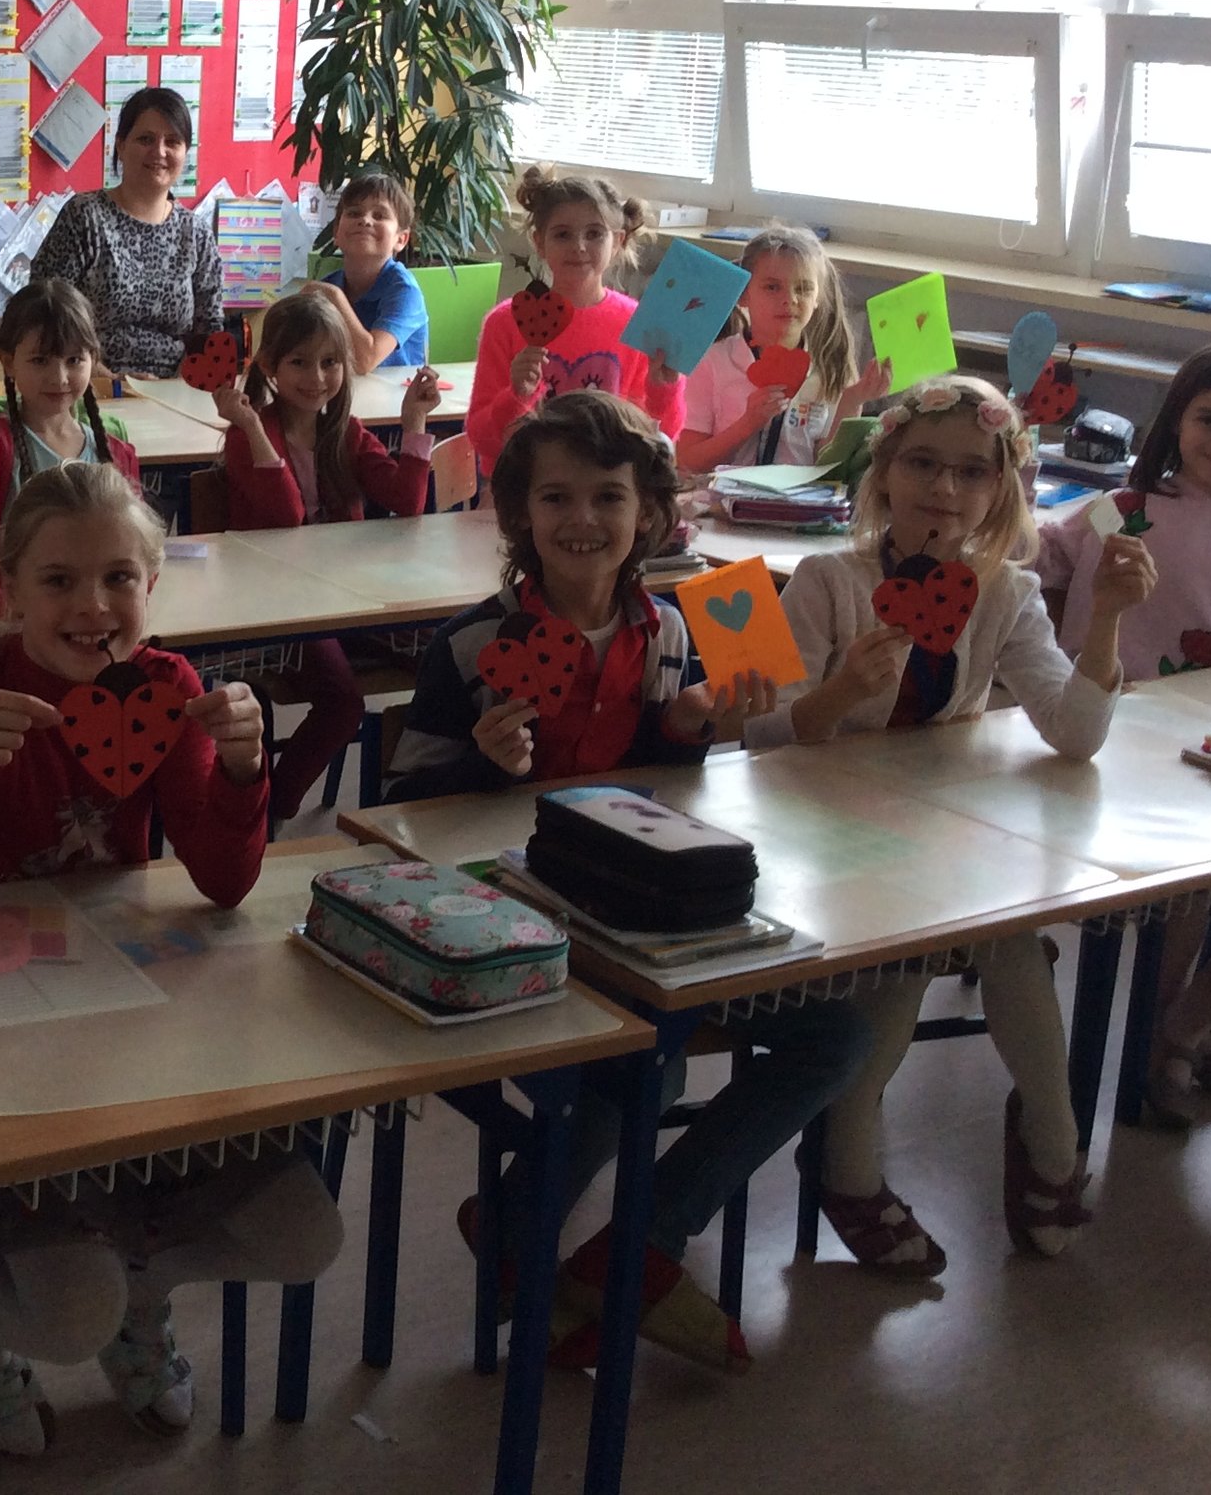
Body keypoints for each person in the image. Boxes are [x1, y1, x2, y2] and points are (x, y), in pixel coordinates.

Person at [0, 463, 341, 1456]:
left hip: (120, 1014)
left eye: (119, 577)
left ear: (151, 586)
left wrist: (245, 767)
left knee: (305, 1231)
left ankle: (141, 1291)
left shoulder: (166, 688)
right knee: (69, 1308)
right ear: (7, 589)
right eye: (58, 581)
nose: (92, 605)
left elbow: (222, 881)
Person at [388, 389, 828, 1372]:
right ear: (519, 513)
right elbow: (401, 807)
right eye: (555, 498)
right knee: (649, 1066)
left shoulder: (673, 630)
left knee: (833, 1027)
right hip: (516, 914)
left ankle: (614, 1239)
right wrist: (483, 766)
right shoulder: (471, 643)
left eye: (608, 497)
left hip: (642, 909)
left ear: (650, 514)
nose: (581, 520)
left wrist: (691, 727)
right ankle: (583, 1245)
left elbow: (667, 799)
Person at [746, 376, 1157, 1271]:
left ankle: (1045, 1141)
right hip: (823, 841)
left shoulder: (1004, 592)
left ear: (999, 490)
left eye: (972, 472)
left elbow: (1076, 735)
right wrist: (839, 695)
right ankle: (867, 1166)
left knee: (1004, 931)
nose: (944, 488)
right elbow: (757, 738)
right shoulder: (828, 581)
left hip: (939, 834)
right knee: (917, 954)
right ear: (884, 473)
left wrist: (1106, 622)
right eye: (922, 464)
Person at [1036, 339, 1211, 1126]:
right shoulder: (1119, 508)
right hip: (1114, 742)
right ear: (1176, 419)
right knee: (1190, 877)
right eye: (1210, 419)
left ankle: (1180, 1024)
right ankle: (1166, 1045)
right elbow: (1032, 556)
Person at [212, 288, 440, 820]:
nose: (316, 377)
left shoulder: (346, 432)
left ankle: (419, 796)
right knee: (342, 702)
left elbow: (407, 501)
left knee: (440, 655)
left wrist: (413, 422)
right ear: (269, 366)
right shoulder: (250, 436)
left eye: (330, 362)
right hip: (280, 603)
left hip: (346, 596)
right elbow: (288, 515)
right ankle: (270, 807)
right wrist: (251, 427)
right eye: (299, 362)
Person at [466, 164, 684, 478]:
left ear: (618, 241)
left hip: (608, 487)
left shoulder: (639, 325)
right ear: (539, 242)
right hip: (525, 487)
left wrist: (664, 389)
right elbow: (482, 439)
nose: (579, 246)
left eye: (594, 234)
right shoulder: (505, 323)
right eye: (562, 234)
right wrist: (516, 395)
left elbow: (661, 442)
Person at [0, 279, 137, 558]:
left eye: (74, 360)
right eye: (40, 360)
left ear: (93, 358)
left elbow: (137, 550)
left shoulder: (116, 454)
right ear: (8, 361)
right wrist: (1, 541)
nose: (59, 378)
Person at [27, 87, 221, 378]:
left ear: (185, 152)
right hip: (89, 385)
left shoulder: (197, 235)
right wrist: (111, 380)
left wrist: (179, 384)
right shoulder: (85, 217)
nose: (159, 152)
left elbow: (210, 333)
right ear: (120, 144)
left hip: (175, 390)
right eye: (145, 139)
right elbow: (45, 311)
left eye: (172, 141)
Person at [676, 224, 889, 472]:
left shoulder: (828, 370)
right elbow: (688, 462)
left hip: (796, 497)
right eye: (772, 287)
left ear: (818, 298)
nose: (790, 299)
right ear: (743, 295)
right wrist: (748, 424)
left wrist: (852, 402)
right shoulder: (712, 362)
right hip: (718, 493)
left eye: (803, 288)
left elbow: (828, 468)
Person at [319, 170, 428, 371]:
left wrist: (334, 297)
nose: (365, 220)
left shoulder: (404, 290)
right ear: (336, 233)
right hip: (347, 388)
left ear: (401, 239)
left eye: (379, 215)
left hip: (397, 390)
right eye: (354, 213)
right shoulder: (329, 283)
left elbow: (366, 361)